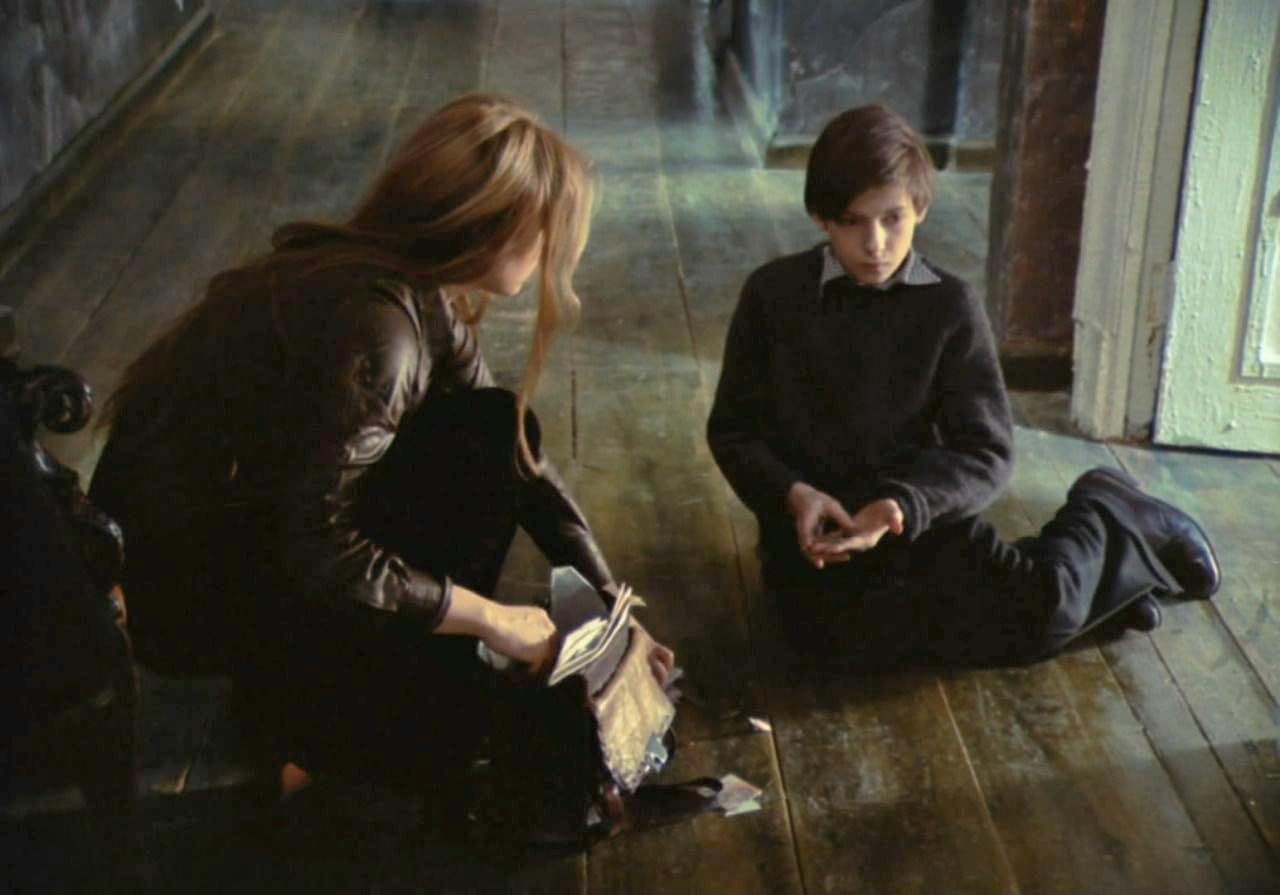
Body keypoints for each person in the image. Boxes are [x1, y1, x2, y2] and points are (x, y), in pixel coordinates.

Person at [89, 93, 677, 838]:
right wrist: (491, 618)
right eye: (545, 230)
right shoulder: (380, 325)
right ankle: (324, 734)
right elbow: (318, 548)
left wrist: (612, 607)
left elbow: (515, 452)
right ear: (488, 226)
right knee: (470, 500)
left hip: (243, 539)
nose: (554, 250)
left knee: (490, 430)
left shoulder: (411, 289)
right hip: (181, 589)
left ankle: (337, 715)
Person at [706, 104, 1221, 668]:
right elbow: (734, 431)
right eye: (853, 221)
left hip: (916, 525)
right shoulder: (773, 295)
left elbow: (986, 450)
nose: (875, 243)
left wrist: (901, 505)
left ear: (920, 209)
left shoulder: (948, 305)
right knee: (826, 651)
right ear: (821, 218)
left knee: (1041, 617)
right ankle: (1115, 590)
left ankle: (1104, 510)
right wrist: (794, 494)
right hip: (814, 539)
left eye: (893, 218)